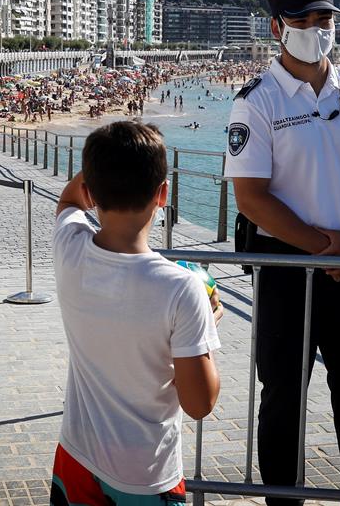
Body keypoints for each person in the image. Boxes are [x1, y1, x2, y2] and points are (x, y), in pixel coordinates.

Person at [224, 0, 340, 504]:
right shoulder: (257, 101)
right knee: (282, 393)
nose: (315, 30)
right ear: (277, 28)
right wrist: (325, 249)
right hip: (286, 270)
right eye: (301, 20)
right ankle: (283, 498)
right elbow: (251, 198)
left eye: (324, 19)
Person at [51, 121, 223, 505]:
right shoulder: (182, 288)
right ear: (162, 193)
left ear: (92, 191)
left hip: (77, 456)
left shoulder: (70, 247)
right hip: (146, 473)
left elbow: (68, 203)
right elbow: (200, 404)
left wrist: (103, 165)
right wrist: (206, 326)